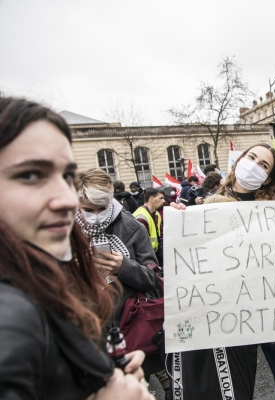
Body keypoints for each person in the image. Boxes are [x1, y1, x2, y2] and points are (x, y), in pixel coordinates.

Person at [0, 97, 153, 399]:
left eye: (66, 176)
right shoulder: (12, 314)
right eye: (30, 175)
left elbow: (153, 279)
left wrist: (101, 373)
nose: (66, 200)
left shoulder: (43, 268)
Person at [171, 144, 275, 400]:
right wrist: (180, 223)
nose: (254, 165)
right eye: (251, 157)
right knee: (237, 392)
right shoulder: (208, 212)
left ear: (267, 178)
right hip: (232, 322)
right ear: (239, 160)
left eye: (264, 165)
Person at [74, 169, 170, 395]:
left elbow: (152, 279)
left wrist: (124, 267)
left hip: (128, 326)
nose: (95, 215)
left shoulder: (132, 226)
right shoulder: (65, 230)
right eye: (88, 210)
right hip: (85, 330)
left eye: (102, 208)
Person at [133, 188, 165, 265]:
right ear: (151, 199)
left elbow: (161, 235)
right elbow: (140, 246)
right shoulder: (141, 217)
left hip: (154, 255)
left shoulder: (156, 214)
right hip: (145, 259)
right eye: (160, 198)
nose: (163, 201)